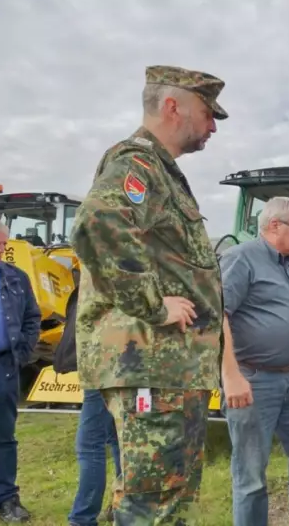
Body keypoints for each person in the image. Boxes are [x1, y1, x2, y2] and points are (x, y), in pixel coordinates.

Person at [70, 65, 228, 523]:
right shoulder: (138, 163)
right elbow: (99, 223)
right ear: (173, 105)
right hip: (153, 365)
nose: (213, 125)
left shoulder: (158, 169)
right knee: (152, 504)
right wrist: (154, 306)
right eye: (207, 112)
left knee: (166, 496)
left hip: (168, 369)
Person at [219, 196, 289, 526]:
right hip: (254, 381)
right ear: (275, 225)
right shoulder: (241, 259)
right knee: (251, 476)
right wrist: (231, 376)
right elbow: (215, 316)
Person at [0, 216, 42, 522]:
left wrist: (21, 353)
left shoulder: (15, 277)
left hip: (1, 367)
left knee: (2, 437)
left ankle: (5, 499)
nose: (1, 250)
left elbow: (32, 317)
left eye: (3, 244)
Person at [67, 388, 121, 526]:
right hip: (122, 375)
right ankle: (122, 505)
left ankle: (83, 518)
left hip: (102, 376)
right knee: (118, 438)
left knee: (89, 445)